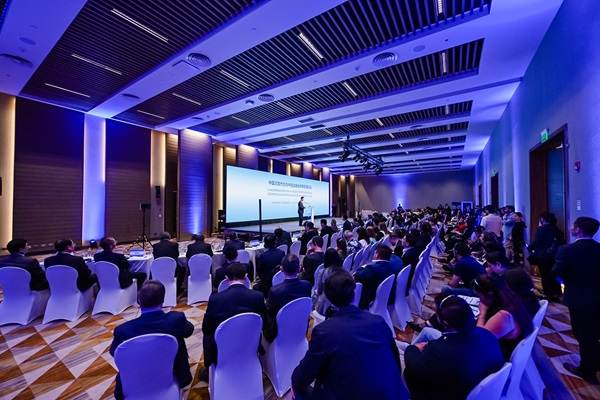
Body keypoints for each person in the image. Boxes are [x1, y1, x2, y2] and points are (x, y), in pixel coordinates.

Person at [291, 272, 407, 400]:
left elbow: (303, 376)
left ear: (328, 297)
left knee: (296, 385)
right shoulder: (378, 321)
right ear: (354, 292)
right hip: (393, 394)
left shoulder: (324, 331)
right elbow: (395, 360)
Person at [403, 295, 504, 400]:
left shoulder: (439, 351)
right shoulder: (487, 334)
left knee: (402, 367)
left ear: (445, 324)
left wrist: (413, 348)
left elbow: (413, 365)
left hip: (451, 392)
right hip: (477, 383)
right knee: (427, 331)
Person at [109, 281, 194, 400]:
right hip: (173, 373)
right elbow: (189, 331)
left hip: (135, 381)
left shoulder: (123, 331)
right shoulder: (176, 319)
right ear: (163, 300)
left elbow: (115, 353)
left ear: (139, 301)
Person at [199, 262, 267, 381]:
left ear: (226, 278)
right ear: (246, 276)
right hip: (250, 343)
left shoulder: (216, 299)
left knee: (208, 334)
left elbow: (206, 328)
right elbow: (263, 323)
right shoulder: (257, 296)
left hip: (223, 345)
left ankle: (209, 366)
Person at [552, 216, 600, 383]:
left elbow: (557, 272)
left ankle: (587, 371)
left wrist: (566, 281)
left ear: (578, 230)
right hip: (597, 297)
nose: (571, 228)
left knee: (583, 335)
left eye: (573, 226)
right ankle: (595, 361)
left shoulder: (567, 250)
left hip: (579, 299)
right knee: (594, 334)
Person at [471, 273, 533, 361]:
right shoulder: (510, 297)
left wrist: (482, 313)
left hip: (499, 357)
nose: (479, 300)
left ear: (489, 294)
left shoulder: (503, 316)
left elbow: (480, 342)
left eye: (479, 296)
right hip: (503, 346)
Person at [264, 254, 312, 342]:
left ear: (281, 269)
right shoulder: (307, 286)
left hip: (280, 332)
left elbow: (269, 311)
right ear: (299, 268)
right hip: (301, 328)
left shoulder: (275, 291)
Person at [528, 211, 564, 302]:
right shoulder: (557, 229)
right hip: (555, 255)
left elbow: (537, 242)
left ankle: (548, 293)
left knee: (545, 274)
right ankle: (557, 292)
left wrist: (529, 248)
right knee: (553, 274)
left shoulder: (541, 229)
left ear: (542, 219)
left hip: (543, 255)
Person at [354, 244, 397, 309]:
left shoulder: (372, 269)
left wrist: (362, 267)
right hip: (387, 297)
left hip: (370, 298)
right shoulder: (392, 267)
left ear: (377, 254)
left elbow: (358, 276)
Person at [313, 249, 346, 317]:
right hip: (342, 304)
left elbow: (319, 291)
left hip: (325, 306)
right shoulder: (345, 271)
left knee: (313, 295)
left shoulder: (322, 272)